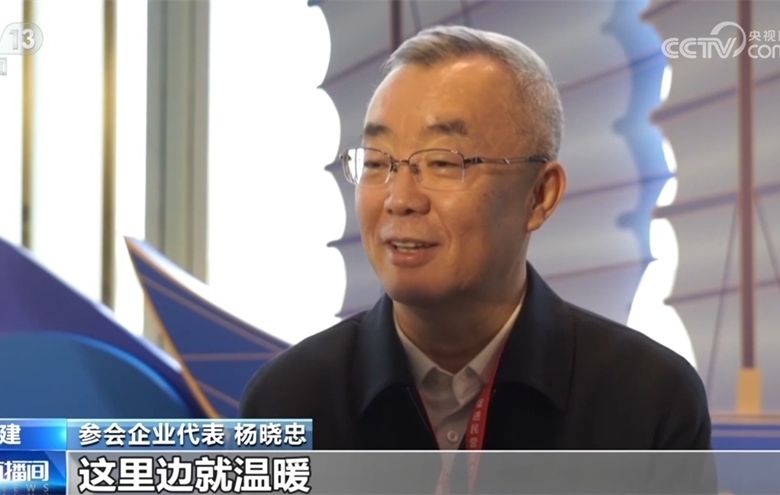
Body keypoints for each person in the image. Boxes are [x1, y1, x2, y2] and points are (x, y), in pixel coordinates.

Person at [241, 24, 714, 493]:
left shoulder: (648, 400)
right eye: (379, 162)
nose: (400, 199)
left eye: (444, 162)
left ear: (540, 195)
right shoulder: (287, 402)